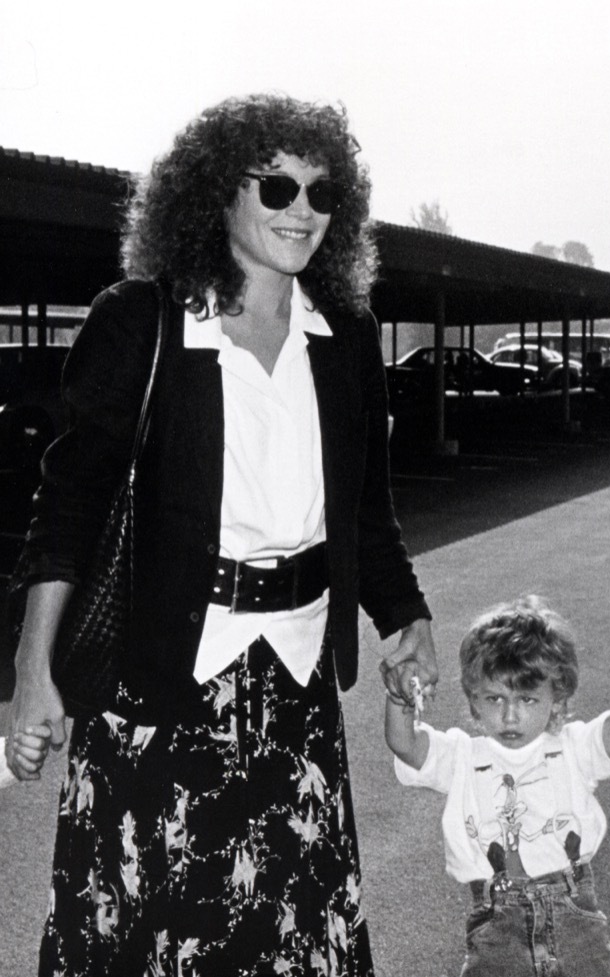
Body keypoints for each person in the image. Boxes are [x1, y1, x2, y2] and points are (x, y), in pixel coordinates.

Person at [5, 93, 438, 977]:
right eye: (276, 186)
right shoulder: (143, 320)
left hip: (296, 691)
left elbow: (364, 509)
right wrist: (31, 670)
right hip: (160, 681)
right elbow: (69, 506)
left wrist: (406, 616)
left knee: (292, 940)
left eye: (321, 193)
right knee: (147, 938)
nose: (301, 210)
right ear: (216, 193)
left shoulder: (346, 335)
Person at [385, 595, 610, 977]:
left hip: (575, 919)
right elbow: (405, 744)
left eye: (528, 699)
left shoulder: (573, 748)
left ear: (557, 700)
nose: (510, 715)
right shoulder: (461, 756)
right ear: (474, 700)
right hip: (496, 930)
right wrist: (400, 696)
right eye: (495, 698)